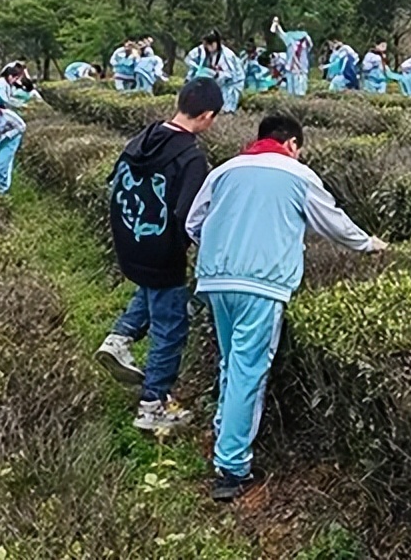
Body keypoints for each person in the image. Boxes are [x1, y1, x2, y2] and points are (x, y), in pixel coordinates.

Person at [185, 114, 388, 501]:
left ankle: (223, 437)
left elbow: (194, 223)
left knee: (231, 362)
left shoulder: (225, 169)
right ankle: (231, 467)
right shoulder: (297, 174)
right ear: (293, 144)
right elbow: (333, 222)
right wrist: (368, 244)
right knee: (248, 369)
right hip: (261, 283)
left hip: (214, 278)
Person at [95, 78, 226, 430]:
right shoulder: (192, 157)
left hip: (131, 243)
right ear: (208, 115)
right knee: (171, 326)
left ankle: (119, 338)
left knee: (150, 289)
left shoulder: (144, 137)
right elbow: (189, 216)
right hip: (163, 250)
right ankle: (152, 405)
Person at [271, 16, 312, 97]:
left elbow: (278, 32)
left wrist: (276, 25)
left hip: (300, 69)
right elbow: (277, 31)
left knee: (299, 93)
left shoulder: (305, 39)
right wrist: (276, 23)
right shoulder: (290, 38)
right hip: (292, 69)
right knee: (291, 93)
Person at [215, 38, 244, 113]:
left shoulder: (227, 55)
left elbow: (230, 73)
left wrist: (217, 76)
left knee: (229, 107)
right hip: (225, 84)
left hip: (233, 83)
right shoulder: (217, 54)